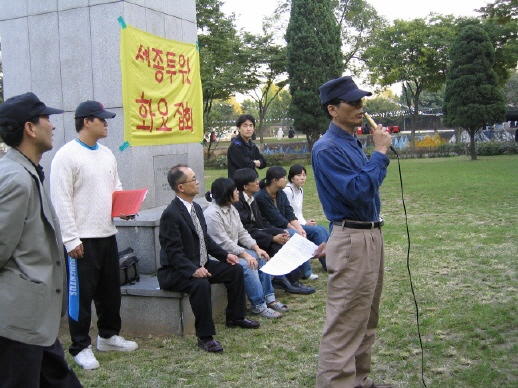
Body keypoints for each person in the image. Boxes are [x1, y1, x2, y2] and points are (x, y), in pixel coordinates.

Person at [312, 75, 393, 388]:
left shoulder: (351, 142)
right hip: (354, 238)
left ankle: (359, 380)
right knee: (346, 321)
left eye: (362, 101)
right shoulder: (327, 148)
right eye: (353, 102)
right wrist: (381, 154)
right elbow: (358, 192)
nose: (361, 107)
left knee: (367, 316)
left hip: (369, 234)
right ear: (333, 109)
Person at [0, 92, 82, 387]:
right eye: (46, 118)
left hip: (35, 321)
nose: (53, 125)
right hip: (17, 320)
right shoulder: (16, 179)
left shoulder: (28, 172)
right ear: (30, 128)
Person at [50, 101, 138, 370]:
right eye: (102, 119)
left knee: (110, 291)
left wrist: (123, 209)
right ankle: (80, 346)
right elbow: (60, 199)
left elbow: (115, 187)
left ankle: (108, 336)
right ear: (86, 121)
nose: (106, 123)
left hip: (106, 234)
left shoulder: (107, 153)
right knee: (80, 294)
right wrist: (71, 239)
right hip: (81, 239)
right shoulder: (67, 155)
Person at [158, 165, 259, 353]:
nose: (197, 182)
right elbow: (173, 252)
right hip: (177, 271)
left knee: (235, 270)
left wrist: (225, 255)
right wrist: (192, 269)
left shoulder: (195, 207)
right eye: (193, 179)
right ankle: (205, 337)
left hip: (201, 263)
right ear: (181, 187)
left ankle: (236, 317)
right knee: (200, 284)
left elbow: (205, 239)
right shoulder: (171, 214)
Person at [204, 178, 288, 318]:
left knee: (261, 257)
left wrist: (256, 248)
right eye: (235, 190)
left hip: (235, 251)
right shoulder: (212, 214)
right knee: (247, 265)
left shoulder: (231, 209)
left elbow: (242, 232)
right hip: (220, 256)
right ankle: (258, 306)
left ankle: (270, 299)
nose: (238, 192)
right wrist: (245, 255)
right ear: (226, 193)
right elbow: (223, 242)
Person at [233, 168, 316, 295]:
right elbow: (247, 230)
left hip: (258, 234)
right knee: (279, 244)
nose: (258, 182)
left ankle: (292, 281)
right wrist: (272, 238)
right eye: (254, 180)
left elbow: (263, 222)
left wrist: (280, 231)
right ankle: (286, 281)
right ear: (245, 186)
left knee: (287, 236)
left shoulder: (252, 198)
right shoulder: (239, 202)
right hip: (246, 240)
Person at [254, 166, 317, 280]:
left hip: (285, 226)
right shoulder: (261, 196)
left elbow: (289, 212)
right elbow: (276, 218)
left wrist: (299, 228)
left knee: (315, 231)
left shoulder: (280, 193)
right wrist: (295, 230)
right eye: (283, 177)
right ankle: (303, 274)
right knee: (295, 235)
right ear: (275, 180)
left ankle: (321, 265)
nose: (285, 180)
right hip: (271, 229)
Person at [283, 164, 328, 271]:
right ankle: (327, 263)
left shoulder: (301, 190)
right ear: (292, 178)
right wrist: (301, 226)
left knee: (322, 229)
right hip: (291, 225)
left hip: (298, 222)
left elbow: (298, 212)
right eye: (299, 175)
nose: (302, 177)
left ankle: (332, 259)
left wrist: (305, 223)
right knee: (317, 231)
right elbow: (289, 214)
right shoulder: (288, 191)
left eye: (304, 175)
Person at [227, 114, 266, 179]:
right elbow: (246, 165)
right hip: (239, 184)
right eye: (245, 126)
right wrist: (255, 163)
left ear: (254, 128)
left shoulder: (252, 145)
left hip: (252, 183)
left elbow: (264, 162)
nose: (248, 129)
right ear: (238, 128)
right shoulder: (236, 145)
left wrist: (256, 162)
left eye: (251, 126)